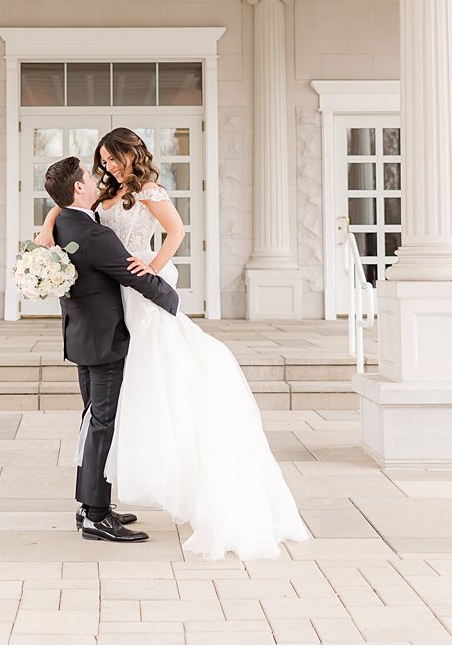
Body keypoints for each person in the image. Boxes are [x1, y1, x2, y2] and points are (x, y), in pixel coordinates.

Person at [37, 128, 310, 561]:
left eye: (111, 159)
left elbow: (176, 233)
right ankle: (95, 506)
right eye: (100, 163)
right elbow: (81, 219)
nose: (105, 168)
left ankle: (97, 502)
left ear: (131, 154)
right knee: (107, 411)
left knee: (126, 398)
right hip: (119, 297)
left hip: (135, 289)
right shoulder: (97, 202)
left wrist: (156, 273)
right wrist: (54, 216)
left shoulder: (148, 191)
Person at [42, 154, 180, 544]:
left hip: (83, 336)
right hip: (103, 340)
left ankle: (90, 504)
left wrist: (50, 214)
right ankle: (96, 517)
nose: (96, 176)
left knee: (94, 420)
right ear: (79, 188)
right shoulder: (93, 233)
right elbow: (130, 273)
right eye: (89, 174)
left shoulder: (68, 222)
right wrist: (173, 305)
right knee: (102, 422)